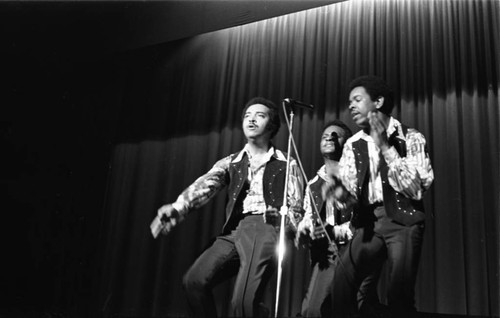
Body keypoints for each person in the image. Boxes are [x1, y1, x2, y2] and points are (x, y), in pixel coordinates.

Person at [154, 97, 304, 318]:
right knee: (194, 281)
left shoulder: (286, 162)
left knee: (243, 302)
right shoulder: (231, 162)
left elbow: (298, 209)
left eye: (259, 116)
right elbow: (206, 185)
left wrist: (284, 221)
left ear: (271, 126)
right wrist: (178, 208)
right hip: (234, 231)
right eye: (247, 115)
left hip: (264, 228)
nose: (251, 119)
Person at [329, 75, 434, 317]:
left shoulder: (410, 137)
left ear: (378, 101)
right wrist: (341, 194)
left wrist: (386, 147)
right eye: (349, 101)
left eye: (357, 99)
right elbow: (349, 192)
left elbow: (415, 189)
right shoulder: (353, 144)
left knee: (399, 295)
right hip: (368, 223)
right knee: (342, 284)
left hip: (403, 221)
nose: (351, 106)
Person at [296, 120, 382, 318]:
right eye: (325, 135)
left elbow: (366, 218)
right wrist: (306, 229)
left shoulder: (358, 175)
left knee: (356, 306)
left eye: (336, 135)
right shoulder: (313, 184)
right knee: (312, 310)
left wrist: (335, 231)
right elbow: (309, 216)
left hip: (356, 247)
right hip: (327, 253)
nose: (329, 137)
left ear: (348, 143)